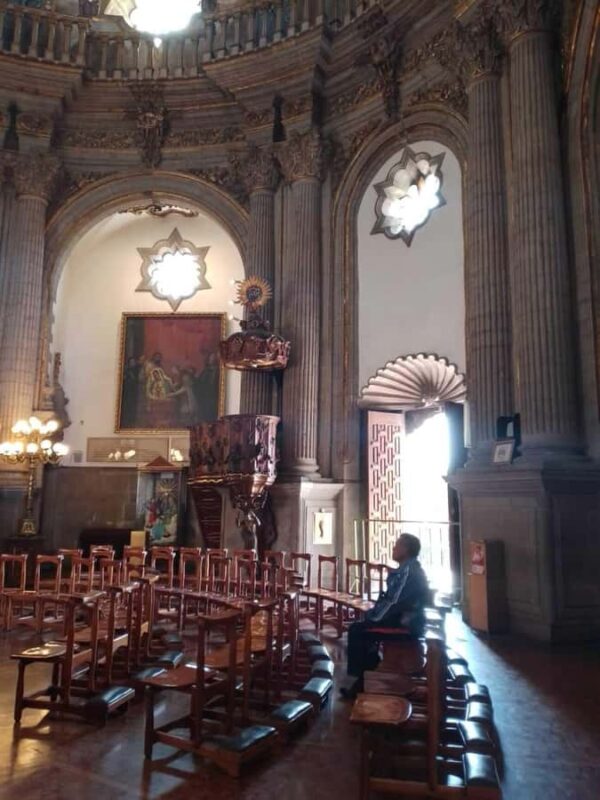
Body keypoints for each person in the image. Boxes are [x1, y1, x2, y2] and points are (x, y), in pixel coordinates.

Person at [342, 533, 430, 698]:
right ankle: (365, 678)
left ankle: (363, 678)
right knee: (362, 628)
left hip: (405, 622)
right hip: (404, 617)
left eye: (397, 545)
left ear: (406, 549)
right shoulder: (409, 568)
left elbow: (393, 602)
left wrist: (373, 617)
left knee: (357, 630)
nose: (394, 548)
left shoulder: (407, 571)